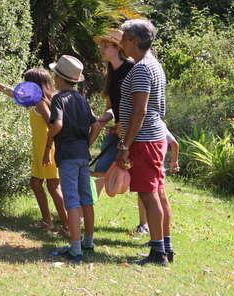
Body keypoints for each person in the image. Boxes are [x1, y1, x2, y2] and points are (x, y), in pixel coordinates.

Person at [0, 70, 70, 236]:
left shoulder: (41, 103)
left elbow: (53, 125)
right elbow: (12, 92)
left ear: (35, 85)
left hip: (47, 150)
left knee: (53, 186)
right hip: (40, 149)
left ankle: (67, 226)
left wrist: (48, 151)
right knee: (36, 184)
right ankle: (47, 222)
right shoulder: (34, 100)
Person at [116, 19, 175, 265]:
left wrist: (125, 145)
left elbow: (140, 112)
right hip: (154, 136)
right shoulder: (153, 65)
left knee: (149, 195)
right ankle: (165, 247)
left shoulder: (141, 69)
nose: (120, 43)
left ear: (135, 41)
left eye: (124, 38)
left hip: (145, 139)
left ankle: (158, 253)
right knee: (158, 193)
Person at [43, 55, 102, 263]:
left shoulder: (59, 99)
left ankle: (75, 249)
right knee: (86, 198)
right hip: (83, 155)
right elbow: (96, 124)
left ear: (58, 78)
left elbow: (57, 125)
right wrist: (87, 143)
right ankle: (88, 241)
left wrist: (50, 135)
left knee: (72, 200)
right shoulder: (82, 99)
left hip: (67, 155)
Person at [90, 29, 135, 200]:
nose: (101, 49)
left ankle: (144, 225)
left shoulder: (132, 69)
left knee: (141, 179)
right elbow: (111, 105)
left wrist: (124, 125)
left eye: (106, 45)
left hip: (134, 133)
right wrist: (106, 118)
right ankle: (84, 213)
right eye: (101, 45)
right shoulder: (110, 72)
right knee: (100, 169)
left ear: (118, 48)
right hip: (117, 131)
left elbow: (139, 105)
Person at [136, 127, 180, 235]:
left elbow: (175, 143)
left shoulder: (155, 126)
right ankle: (159, 237)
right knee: (156, 198)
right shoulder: (160, 126)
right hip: (159, 169)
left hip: (153, 168)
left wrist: (174, 162)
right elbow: (174, 143)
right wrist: (174, 162)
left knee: (149, 197)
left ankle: (147, 228)